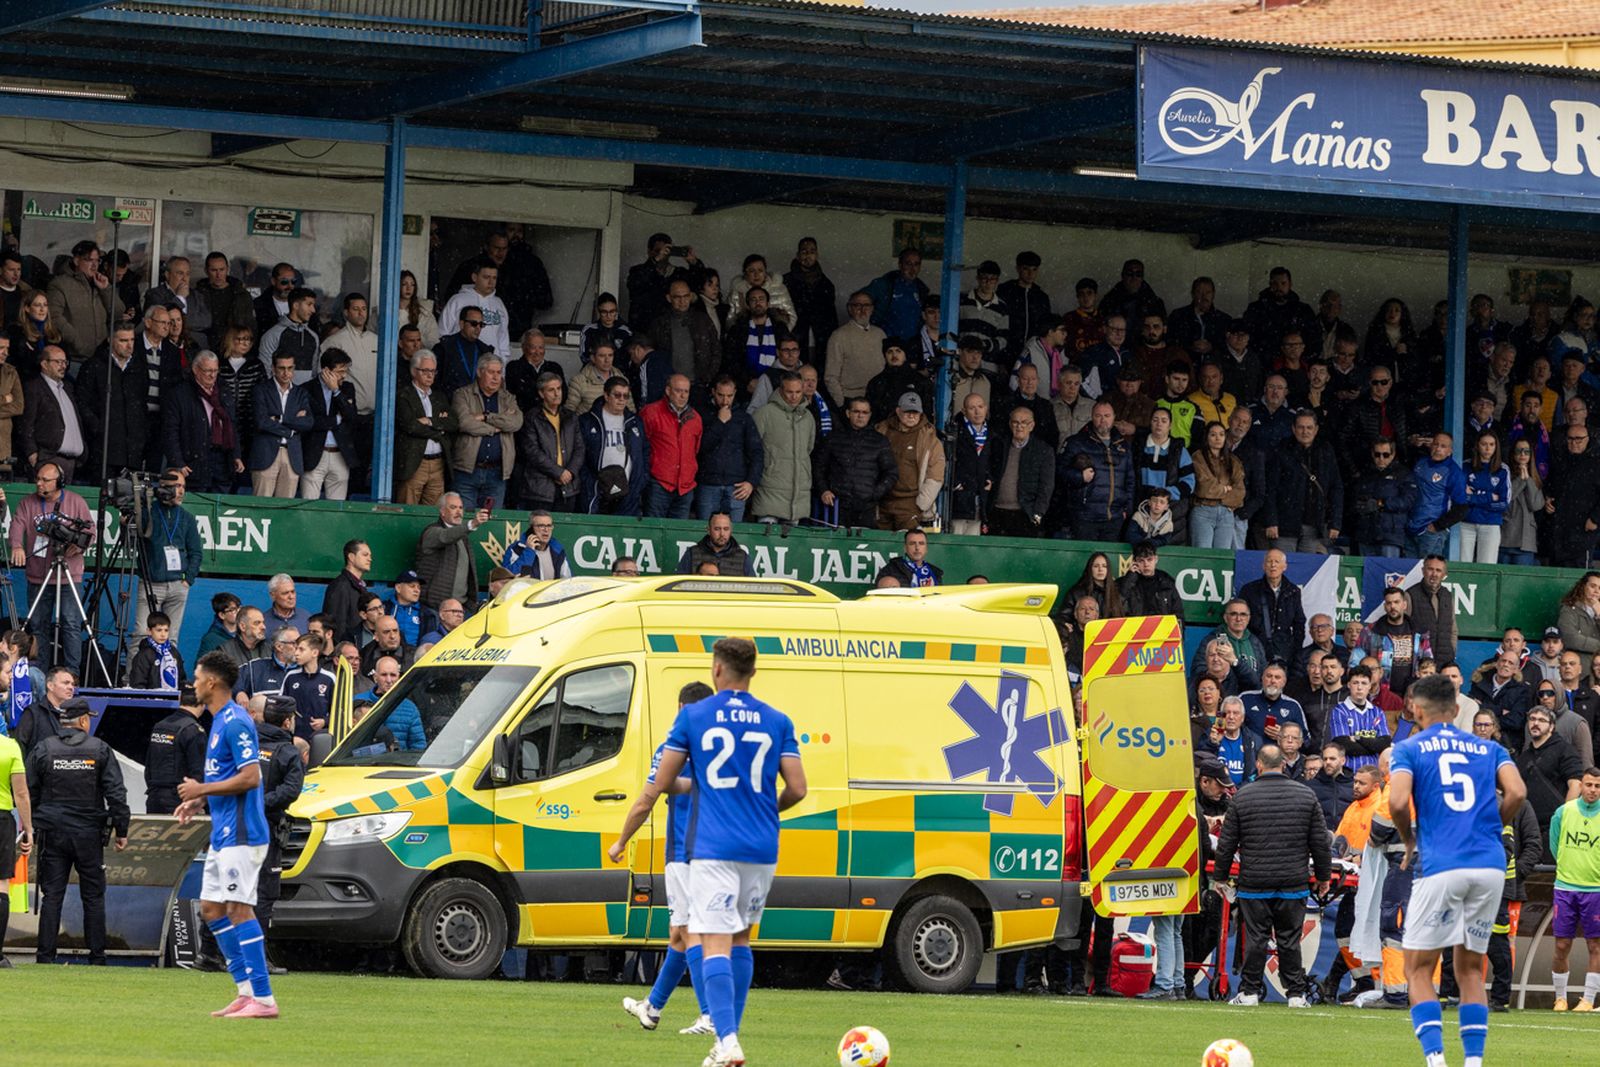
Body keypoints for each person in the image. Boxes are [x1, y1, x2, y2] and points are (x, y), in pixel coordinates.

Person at [608, 637, 806, 1067]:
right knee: (741, 939)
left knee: (710, 938)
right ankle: (724, 1035)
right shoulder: (778, 720)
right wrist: (761, 808)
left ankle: (727, 1039)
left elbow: (661, 784)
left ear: (717, 670)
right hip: (762, 845)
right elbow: (798, 789)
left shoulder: (694, 716)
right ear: (753, 672)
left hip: (713, 847)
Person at [1388, 674, 1526, 1067]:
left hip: (1443, 863)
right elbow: (1517, 792)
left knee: (1417, 968)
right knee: (1469, 968)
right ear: (1455, 709)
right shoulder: (1489, 748)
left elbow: (1398, 802)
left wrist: (1410, 839)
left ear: (1415, 707)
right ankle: (1474, 1063)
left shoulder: (1409, 748)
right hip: (1489, 866)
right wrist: (1490, 825)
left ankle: (1436, 1062)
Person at [173, 652, 279, 1017]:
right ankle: (245, 989)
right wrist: (200, 801)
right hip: (224, 833)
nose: (194, 684)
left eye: (198, 677)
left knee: (238, 908)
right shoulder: (217, 722)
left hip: (244, 833)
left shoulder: (235, 722)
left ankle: (263, 998)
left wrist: (201, 790)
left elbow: (251, 777)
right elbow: (226, 780)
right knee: (211, 908)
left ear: (212, 682)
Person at [620, 679, 719, 1035]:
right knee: (679, 932)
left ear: (682, 709)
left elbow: (647, 799)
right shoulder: (726, 747)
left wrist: (620, 842)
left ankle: (710, 1015)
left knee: (687, 930)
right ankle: (653, 1006)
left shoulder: (674, 746)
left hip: (684, 851)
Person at [1215, 743, 1330, 1008]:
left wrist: (1220, 877)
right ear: (1284, 764)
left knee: (1256, 938)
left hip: (1254, 882)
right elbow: (1320, 842)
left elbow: (1227, 843)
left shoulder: (1242, 797)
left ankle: (1250, 992)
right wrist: (1323, 877)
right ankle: (1296, 994)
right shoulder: (1306, 795)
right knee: (1290, 939)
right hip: (1293, 882)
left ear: (1258, 765)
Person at [27, 695, 128, 966]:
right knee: (93, 897)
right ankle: (97, 958)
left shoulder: (43, 748)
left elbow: (29, 791)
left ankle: (45, 958)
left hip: (53, 833)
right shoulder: (100, 749)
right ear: (83, 720)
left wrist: (36, 824)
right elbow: (116, 793)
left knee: (52, 896)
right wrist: (122, 829)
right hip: (89, 835)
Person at [10, 463, 93, 675]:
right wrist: (17, 546)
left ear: (59, 482)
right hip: (39, 575)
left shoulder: (75, 502)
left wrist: (81, 545)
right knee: (38, 627)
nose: (39, 483)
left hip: (68, 575)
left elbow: (90, 530)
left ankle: (71, 675)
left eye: (45, 480)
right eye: (38, 479)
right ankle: (39, 673)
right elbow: (17, 524)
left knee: (71, 624)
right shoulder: (27, 503)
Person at [251, 693, 304, 934]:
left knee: (235, 886)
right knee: (265, 890)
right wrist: (262, 803)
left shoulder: (248, 743)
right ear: (286, 722)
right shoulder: (288, 752)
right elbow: (291, 791)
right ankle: (256, 952)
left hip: (238, 823)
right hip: (267, 827)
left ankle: (215, 951)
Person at [813, 395, 895, 530]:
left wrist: (875, 494)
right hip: (836, 506)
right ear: (848, 413)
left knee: (864, 546)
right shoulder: (833, 438)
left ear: (870, 415)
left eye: (864, 412)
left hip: (866, 507)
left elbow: (891, 472)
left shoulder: (880, 441)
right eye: (856, 411)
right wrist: (824, 490)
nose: (860, 416)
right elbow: (818, 467)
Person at [1519, 704, 1586, 860]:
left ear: (1551, 727)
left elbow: (1576, 785)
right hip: (1528, 827)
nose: (1535, 723)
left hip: (1553, 827)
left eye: (1542, 720)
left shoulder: (1564, 750)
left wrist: (1563, 818)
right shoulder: (1524, 757)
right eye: (1532, 719)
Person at [695, 376, 763, 523]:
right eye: (721, 395)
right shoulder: (702, 415)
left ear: (735, 393)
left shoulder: (744, 418)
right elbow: (699, 448)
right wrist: (719, 423)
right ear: (713, 392)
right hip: (708, 484)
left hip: (736, 487)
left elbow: (756, 452)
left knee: (734, 535)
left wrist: (751, 482)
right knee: (703, 532)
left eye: (729, 396)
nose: (725, 401)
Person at [749, 372, 815, 524]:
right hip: (769, 489)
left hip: (797, 494)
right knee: (767, 540)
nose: (794, 396)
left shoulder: (807, 417)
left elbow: (808, 449)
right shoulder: (764, 413)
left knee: (790, 544)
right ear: (780, 390)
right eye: (789, 392)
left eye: (798, 392)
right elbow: (751, 449)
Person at [517, 371, 585, 512]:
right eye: (551, 390)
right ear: (541, 394)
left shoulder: (570, 417)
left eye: (559, 389)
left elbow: (579, 449)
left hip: (568, 485)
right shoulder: (532, 417)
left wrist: (570, 472)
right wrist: (557, 472)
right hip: (540, 488)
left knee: (564, 531)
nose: (556, 394)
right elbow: (532, 451)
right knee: (540, 529)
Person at [395, 352, 456, 506]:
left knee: (434, 513)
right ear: (414, 371)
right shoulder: (404, 395)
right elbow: (410, 426)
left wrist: (429, 421)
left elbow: (453, 423)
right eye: (425, 371)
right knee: (408, 508)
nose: (430, 375)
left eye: (433, 371)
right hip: (415, 462)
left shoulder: (439, 396)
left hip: (437, 463)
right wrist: (439, 430)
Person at [639, 373, 702, 519]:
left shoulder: (696, 418)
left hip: (685, 487)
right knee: (654, 531)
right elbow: (640, 447)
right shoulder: (651, 413)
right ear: (668, 391)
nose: (683, 395)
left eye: (686, 391)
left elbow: (695, 450)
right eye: (678, 390)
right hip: (658, 484)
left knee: (678, 536)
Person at [415, 494, 492, 610]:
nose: (459, 512)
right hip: (435, 607)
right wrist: (472, 524)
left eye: (461, 508)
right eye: (453, 507)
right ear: (442, 512)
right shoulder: (431, 532)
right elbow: (445, 536)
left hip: (462, 607)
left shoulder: (463, 537)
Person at [986, 406, 1052, 537]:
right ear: (1010, 425)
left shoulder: (1043, 450)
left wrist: (1038, 513)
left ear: (1032, 426)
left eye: (1024, 423)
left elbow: (1046, 486)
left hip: (1025, 514)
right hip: (997, 512)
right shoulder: (1000, 445)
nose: (1019, 426)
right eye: (1015, 422)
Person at [1236, 549, 1306, 667]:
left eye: (1277, 562)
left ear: (1285, 566)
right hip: (1254, 648)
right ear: (1263, 566)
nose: (1273, 565)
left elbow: (1299, 623)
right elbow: (1240, 621)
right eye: (1269, 561)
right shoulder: (1249, 590)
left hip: (1284, 652)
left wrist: (1295, 651)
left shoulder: (1293, 591)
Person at [144, 684, 205, 813]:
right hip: (180, 802)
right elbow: (199, 773)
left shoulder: (159, 726)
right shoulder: (194, 730)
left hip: (154, 798)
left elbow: (148, 767)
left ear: (179, 699)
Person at [1328, 665, 1391, 772]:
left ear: (1370, 686)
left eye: (1364, 683)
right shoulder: (1339, 711)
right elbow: (1344, 745)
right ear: (1348, 685)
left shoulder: (1377, 712)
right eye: (1355, 683)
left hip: (1374, 773)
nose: (1359, 687)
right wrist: (1373, 745)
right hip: (1348, 773)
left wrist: (1357, 738)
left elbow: (1384, 743)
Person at [1471, 651, 1534, 753]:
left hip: (1506, 745)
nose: (1505, 664)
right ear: (1497, 663)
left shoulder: (1521, 691)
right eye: (1503, 661)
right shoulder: (1479, 682)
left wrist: (1483, 708)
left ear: (1516, 670)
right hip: (1478, 743)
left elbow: (1516, 721)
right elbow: (1472, 710)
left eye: (1510, 663)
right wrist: (1499, 711)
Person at [1408, 556, 1459, 670]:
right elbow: (1405, 631)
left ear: (1444, 574)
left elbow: (1453, 629)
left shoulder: (1447, 595)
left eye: (1438, 570)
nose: (1434, 574)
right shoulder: (1410, 595)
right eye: (1430, 569)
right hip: (1420, 665)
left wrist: (1451, 653)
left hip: (1445, 663)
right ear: (1423, 570)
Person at [1116, 540, 1184, 620]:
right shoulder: (1125, 582)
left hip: (1162, 631)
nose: (1146, 564)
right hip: (1134, 631)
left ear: (1156, 559)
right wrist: (1129, 579)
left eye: (1149, 559)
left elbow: (1178, 615)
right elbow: (1116, 607)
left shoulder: (1166, 582)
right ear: (1134, 562)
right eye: (1141, 560)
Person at [677, 513, 754, 576]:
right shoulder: (692, 553)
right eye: (717, 529)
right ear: (708, 530)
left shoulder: (742, 557)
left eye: (726, 529)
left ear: (731, 531)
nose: (722, 534)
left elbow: (753, 588)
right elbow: (679, 585)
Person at [128, 611, 186, 690]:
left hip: (173, 700)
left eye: (166, 630)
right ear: (149, 631)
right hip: (151, 700)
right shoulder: (144, 655)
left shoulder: (174, 653)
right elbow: (138, 684)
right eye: (159, 630)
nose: (163, 634)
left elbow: (182, 679)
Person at [1311, 740, 1355, 829]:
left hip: (1348, 836)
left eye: (1332, 759)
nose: (1328, 762)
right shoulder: (1312, 786)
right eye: (1325, 759)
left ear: (1343, 760)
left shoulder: (1354, 785)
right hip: (1321, 837)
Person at [876, 529, 942, 587]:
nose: (917, 548)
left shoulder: (935, 573)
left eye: (921, 543)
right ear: (905, 548)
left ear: (926, 548)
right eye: (912, 543)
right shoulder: (890, 570)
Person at [198, 593, 242, 659]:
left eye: (239, 608)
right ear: (222, 615)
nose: (238, 612)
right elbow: (201, 666)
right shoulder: (211, 639)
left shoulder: (246, 633)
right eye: (233, 610)